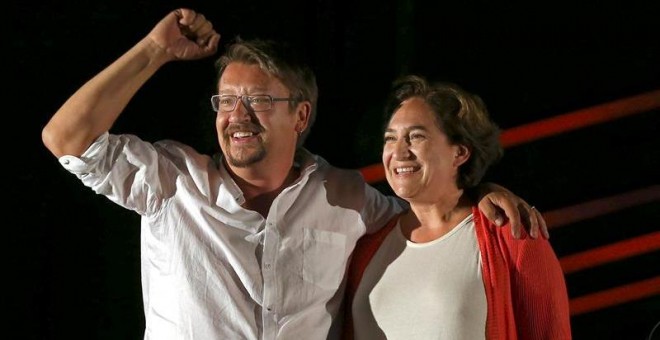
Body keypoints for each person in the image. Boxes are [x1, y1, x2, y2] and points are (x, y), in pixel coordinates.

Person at [41, 8, 548, 340]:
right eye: (227, 101)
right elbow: (65, 139)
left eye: (259, 100)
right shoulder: (168, 183)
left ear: (300, 116)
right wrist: (154, 50)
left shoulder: (348, 197)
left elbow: (429, 215)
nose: (237, 116)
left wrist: (479, 191)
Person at [344, 76, 571, 339]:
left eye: (416, 137)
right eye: (390, 138)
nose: (399, 151)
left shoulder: (514, 236)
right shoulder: (366, 246)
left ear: (460, 153)